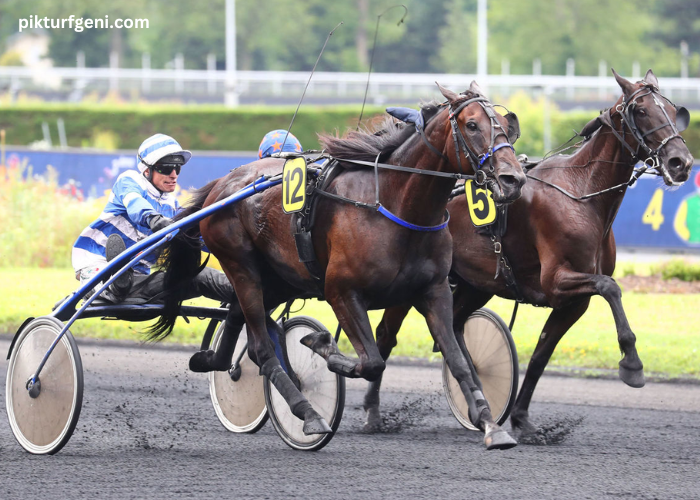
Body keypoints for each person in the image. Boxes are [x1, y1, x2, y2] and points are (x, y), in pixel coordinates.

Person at [71, 133, 234, 304]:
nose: (173, 174)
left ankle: (250, 294)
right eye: (166, 168)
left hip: (138, 280)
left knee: (202, 276)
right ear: (146, 170)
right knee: (111, 279)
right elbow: (136, 205)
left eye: (177, 168)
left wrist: (225, 245)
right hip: (96, 264)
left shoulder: (171, 206)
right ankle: (111, 284)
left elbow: (197, 238)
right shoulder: (129, 181)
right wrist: (155, 220)